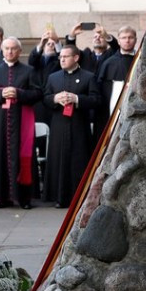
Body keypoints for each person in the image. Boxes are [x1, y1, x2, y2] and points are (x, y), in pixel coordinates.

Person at [0, 37, 41, 209]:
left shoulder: (29, 71)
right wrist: (1, 95)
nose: (10, 51)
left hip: (21, 120)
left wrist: (18, 94)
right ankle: (2, 197)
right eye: (7, 48)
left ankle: (24, 198)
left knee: (22, 157)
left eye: (13, 48)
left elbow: (38, 93)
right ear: (2, 50)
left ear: (20, 51)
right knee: (0, 155)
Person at [43, 45, 101, 208]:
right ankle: (59, 197)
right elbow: (45, 98)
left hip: (79, 125)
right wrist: (55, 98)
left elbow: (97, 100)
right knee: (58, 160)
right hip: (58, 125)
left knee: (78, 160)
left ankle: (80, 197)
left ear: (76, 58)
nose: (61, 60)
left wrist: (77, 99)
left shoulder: (89, 77)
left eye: (65, 57)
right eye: (60, 57)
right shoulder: (53, 77)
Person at [93, 26, 137, 148]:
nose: (127, 40)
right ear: (118, 40)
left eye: (130, 37)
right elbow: (100, 90)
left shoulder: (141, 61)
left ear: (135, 39)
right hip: (110, 114)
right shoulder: (108, 63)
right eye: (124, 38)